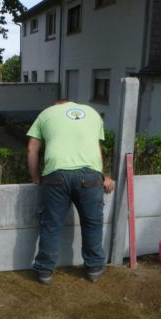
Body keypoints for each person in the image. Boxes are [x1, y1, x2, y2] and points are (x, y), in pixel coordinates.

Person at [27, 99, 114, 285]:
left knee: (51, 225)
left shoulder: (46, 113)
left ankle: (44, 271)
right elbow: (96, 148)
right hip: (90, 176)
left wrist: (35, 177)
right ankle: (94, 269)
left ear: (56, 105)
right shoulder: (92, 112)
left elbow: (32, 148)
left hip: (56, 175)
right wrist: (103, 175)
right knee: (92, 224)